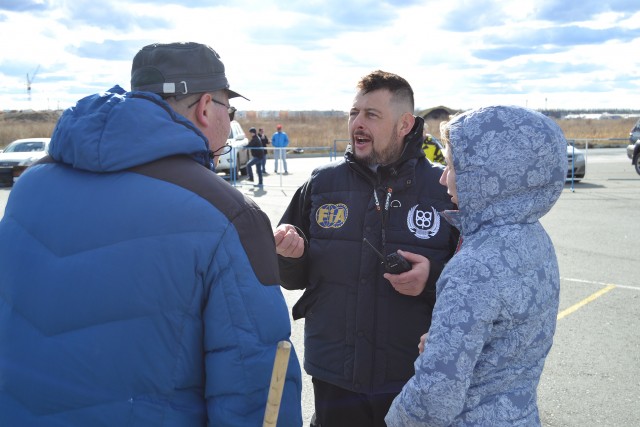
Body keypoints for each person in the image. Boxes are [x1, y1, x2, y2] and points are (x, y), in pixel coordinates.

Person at [0, 42, 302, 427]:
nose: (230, 121)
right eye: (230, 109)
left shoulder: (29, 186)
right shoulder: (228, 213)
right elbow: (254, 388)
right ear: (205, 107)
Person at [273, 70, 459, 426]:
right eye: (353, 113)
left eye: (371, 115)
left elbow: (476, 280)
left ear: (405, 124)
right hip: (335, 376)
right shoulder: (321, 184)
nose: (357, 123)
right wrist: (290, 255)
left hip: (411, 375)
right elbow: (292, 277)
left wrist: (431, 279)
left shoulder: (442, 189)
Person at [385, 105, 566, 426]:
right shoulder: (535, 237)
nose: (443, 178)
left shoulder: (475, 266)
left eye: (452, 167)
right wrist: (449, 343)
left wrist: (396, 420)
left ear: (489, 176)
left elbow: (435, 397)